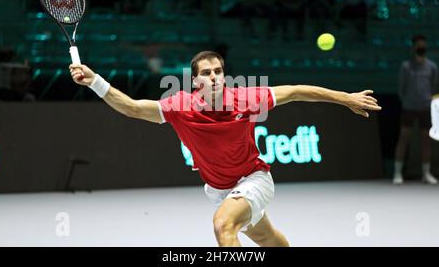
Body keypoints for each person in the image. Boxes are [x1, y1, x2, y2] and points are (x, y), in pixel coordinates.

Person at [69, 51, 381, 246]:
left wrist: (346, 98)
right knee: (268, 240)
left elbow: (297, 92)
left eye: (218, 71)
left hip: (254, 180)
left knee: (223, 225)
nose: (215, 76)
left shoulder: (247, 99)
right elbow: (134, 107)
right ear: (195, 82)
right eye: (206, 73)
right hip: (218, 188)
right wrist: (96, 80)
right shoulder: (180, 107)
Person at [394, 35, 438, 185]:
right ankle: (397, 173)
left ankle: (426, 174)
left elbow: (433, 87)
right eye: (418, 45)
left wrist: (427, 100)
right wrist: (407, 101)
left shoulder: (432, 67)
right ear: (413, 47)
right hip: (409, 107)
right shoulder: (406, 66)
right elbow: (401, 88)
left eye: (423, 45)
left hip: (426, 108)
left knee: (426, 140)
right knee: (404, 137)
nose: (421, 47)